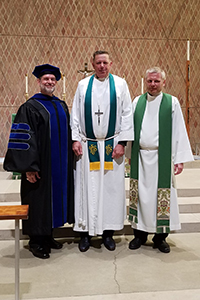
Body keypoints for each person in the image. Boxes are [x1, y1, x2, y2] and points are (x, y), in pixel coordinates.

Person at [4, 64, 74, 259]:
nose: (50, 82)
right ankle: (36, 241)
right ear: (39, 82)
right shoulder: (29, 107)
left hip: (58, 167)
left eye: (52, 79)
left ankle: (48, 236)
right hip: (39, 167)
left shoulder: (61, 105)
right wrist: (28, 168)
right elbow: (24, 140)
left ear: (56, 82)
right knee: (38, 201)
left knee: (51, 202)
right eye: (46, 79)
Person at [70, 50, 134, 252]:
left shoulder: (121, 84)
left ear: (111, 63)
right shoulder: (82, 85)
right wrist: (75, 140)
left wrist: (122, 142)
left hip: (111, 145)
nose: (102, 66)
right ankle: (85, 233)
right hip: (87, 145)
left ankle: (108, 233)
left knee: (110, 191)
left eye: (105, 62)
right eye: (98, 63)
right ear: (93, 63)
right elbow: (76, 115)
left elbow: (126, 114)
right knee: (85, 189)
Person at [128, 66, 194, 253]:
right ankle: (139, 235)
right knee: (140, 196)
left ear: (163, 82)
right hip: (140, 157)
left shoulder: (171, 103)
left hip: (161, 158)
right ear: (145, 81)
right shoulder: (137, 102)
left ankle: (160, 238)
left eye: (157, 81)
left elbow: (179, 130)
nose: (153, 84)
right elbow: (130, 130)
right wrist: (128, 155)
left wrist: (179, 159)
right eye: (150, 81)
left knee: (162, 198)